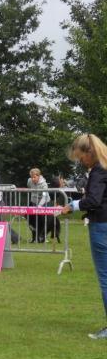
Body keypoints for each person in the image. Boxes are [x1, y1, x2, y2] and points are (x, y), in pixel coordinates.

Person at [61, 134, 107, 340]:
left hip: (101, 226)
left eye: (81, 157)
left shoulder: (99, 171)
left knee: (105, 278)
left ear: (89, 152)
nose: (81, 162)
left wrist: (73, 206)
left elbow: (95, 201)